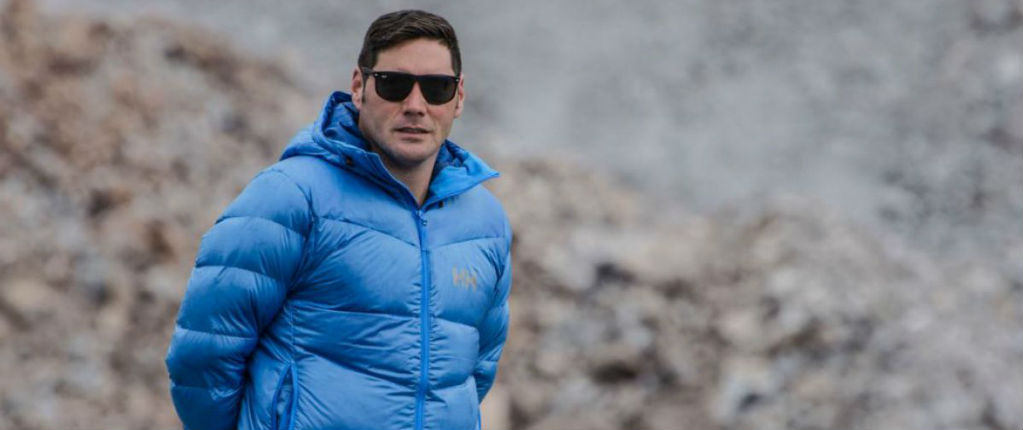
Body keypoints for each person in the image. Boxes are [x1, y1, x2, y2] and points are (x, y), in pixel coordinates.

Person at [165, 10, 512, 430]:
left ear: (459, 97)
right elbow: (203, 356)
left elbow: (476, 371)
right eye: (394, 84)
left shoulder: (485, 223)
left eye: (437, 88)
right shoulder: (291, 196)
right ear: (359, 87)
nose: (415, 106)